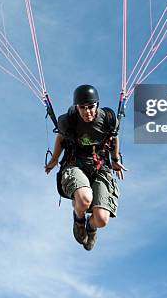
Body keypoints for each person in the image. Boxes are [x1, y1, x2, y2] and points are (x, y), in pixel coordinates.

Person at [44, 84, 127, 251]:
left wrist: (115, 159)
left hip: (99, 166)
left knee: (102, 219)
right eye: (82, 108)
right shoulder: (68, 121)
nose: (87, 112)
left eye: (91, 107)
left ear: (97, 105)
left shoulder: (108, 119)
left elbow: (114, 136)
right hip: (75, 163)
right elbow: (61, 137)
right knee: (84, 199)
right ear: (77, 107)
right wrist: (54, 159)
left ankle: (91, 226)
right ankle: (79, 220)